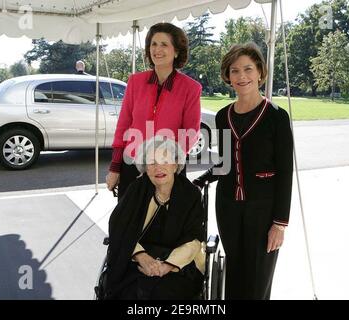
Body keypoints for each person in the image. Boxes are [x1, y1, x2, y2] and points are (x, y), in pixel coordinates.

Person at [193, 43, 294, 299]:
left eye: (248, 69)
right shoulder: (223, 116)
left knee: (258, 283)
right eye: (234, 70)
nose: (242, 76)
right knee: (235, 277)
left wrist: (280, 224)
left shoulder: (276, 117)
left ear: (260, 72)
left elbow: (285, 172)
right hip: (228, 208)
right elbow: (226, 162)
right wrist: (201, 179)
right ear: (228, 76)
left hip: (264, 211)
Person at [105, 22, 202, 198]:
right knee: (129, 223)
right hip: (132, 165)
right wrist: (114, 167)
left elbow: (190, 132)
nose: (157, 49)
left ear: (177, 51)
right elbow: (123, 126)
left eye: (164, 44)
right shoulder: (135, 82)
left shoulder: (191, 88)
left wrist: (165, 162)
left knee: (165, 224)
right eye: (153, 44)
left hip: (168, 169)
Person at [103, 137, 205, 299]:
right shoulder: (136, 189)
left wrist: (166, 266)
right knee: (129, 292)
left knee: (165, 293)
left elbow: (194, 239)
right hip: (136, 261)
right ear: (145, 168)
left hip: (178, 264)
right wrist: (141, 256)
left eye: (165, 160)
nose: (159, 167)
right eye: (152, 163)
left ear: (175, 164)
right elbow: (119, 226)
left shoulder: (190, 194)